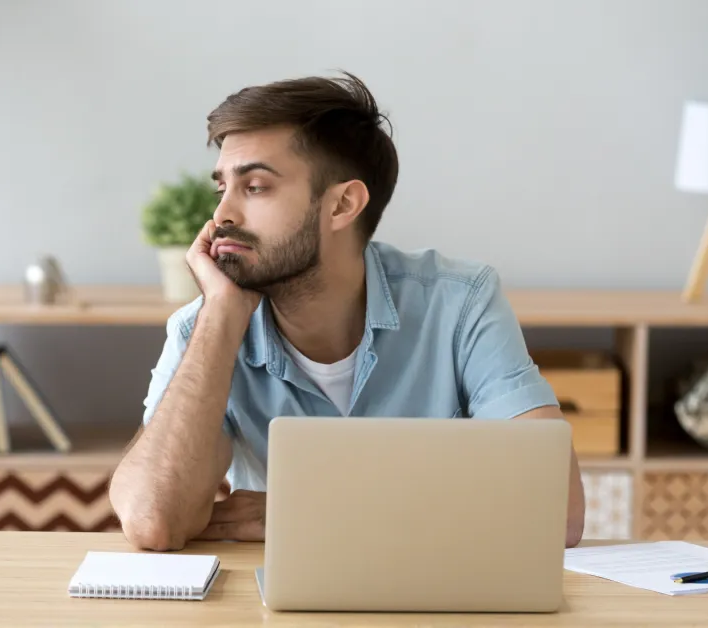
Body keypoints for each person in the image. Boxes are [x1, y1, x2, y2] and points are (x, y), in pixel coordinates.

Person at [108, 71, 585, 551]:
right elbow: (153, 521)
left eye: (254, 187)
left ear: (342, 205)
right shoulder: (205, 327)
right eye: (222, 190)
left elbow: (556, 512)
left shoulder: (459, 303)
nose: (222, 216)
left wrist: (310, 510)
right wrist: (220, 317)